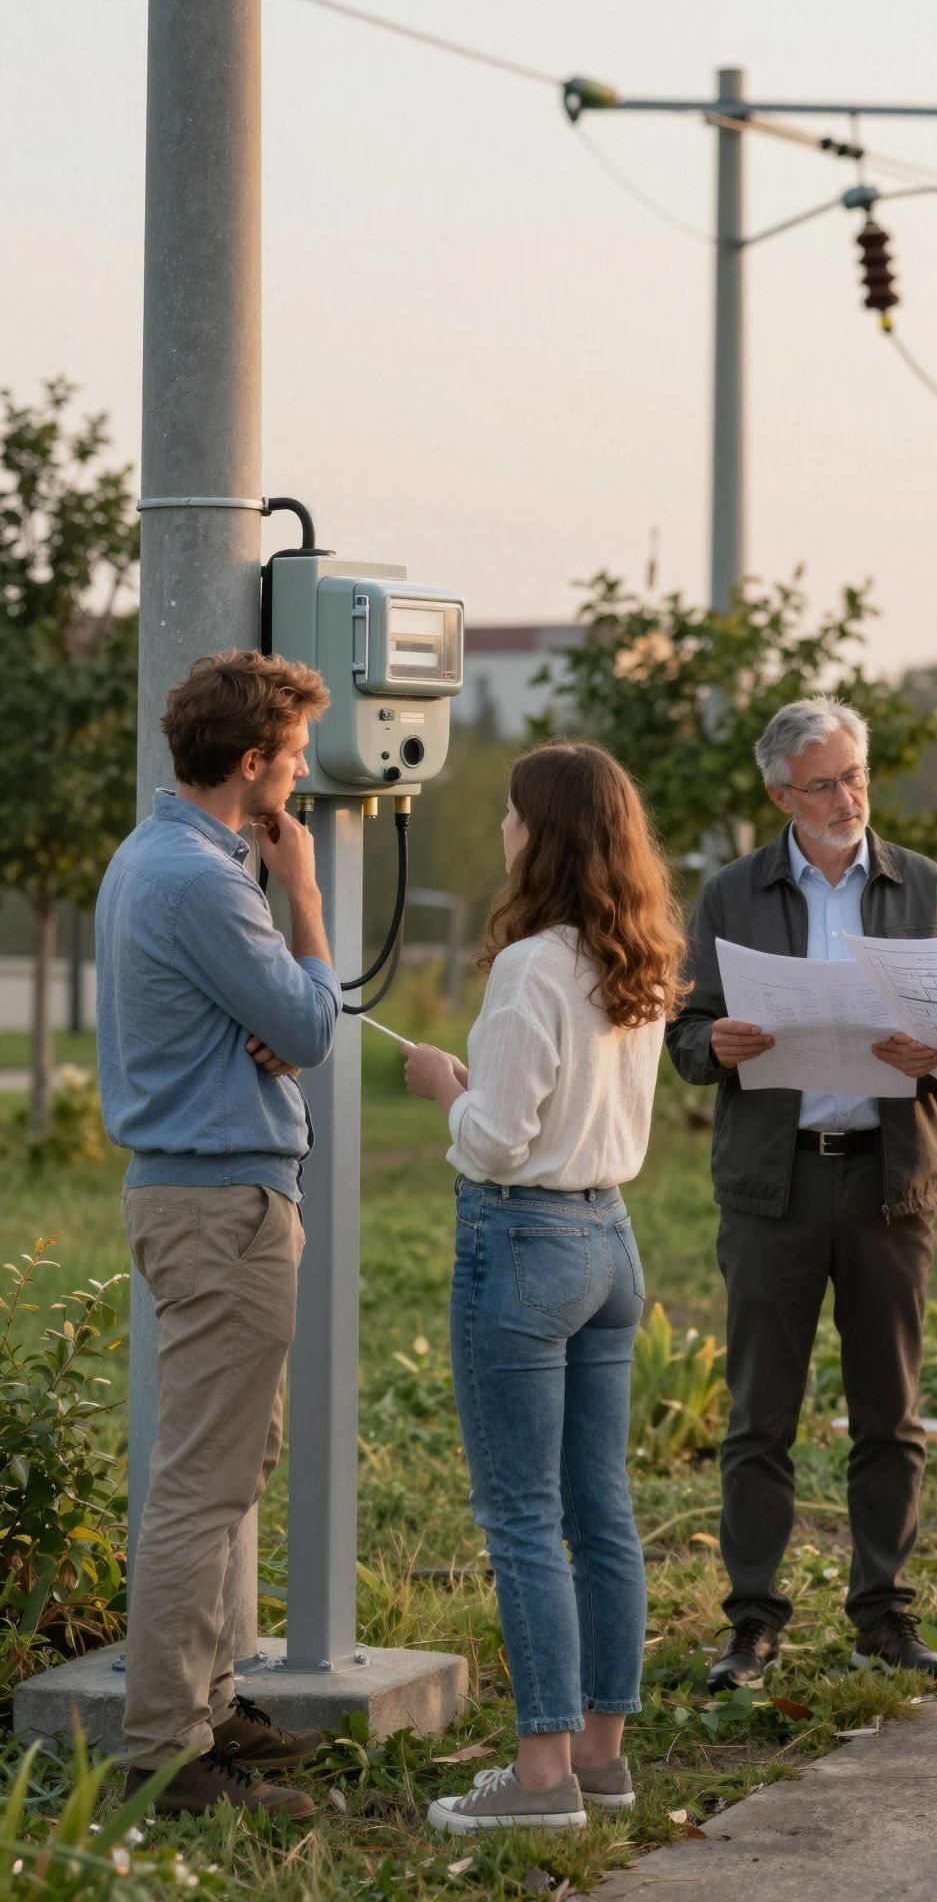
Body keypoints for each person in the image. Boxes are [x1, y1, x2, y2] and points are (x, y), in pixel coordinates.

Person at [408, 741, 688, 1836]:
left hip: (524, 1242)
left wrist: (445, 1087)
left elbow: (495, 1138)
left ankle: (539, 1777)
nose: (503, 828)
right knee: (600, 1509)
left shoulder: (531, 965)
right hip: (608, 1239)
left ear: (546, 833)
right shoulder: (638, 955)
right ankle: (602, 1758)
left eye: (514, 813)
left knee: (522, 1516)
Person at [666, 696, 937, 1694]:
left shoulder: (923, 886)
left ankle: (884, 1613)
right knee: (760, 1414)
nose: (846, 798)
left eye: (856, 777)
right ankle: (752, 1621)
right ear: (779, 796)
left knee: (892, 1411)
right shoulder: (732, 894)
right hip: (775, 1182)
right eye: (823, 784)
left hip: (889, 1181)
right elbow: (682, 1037)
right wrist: (714, 1042)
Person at [97, 649, 340, 1819]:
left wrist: (277, 1013)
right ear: (252, 762)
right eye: (294, 758)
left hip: (198, 1193)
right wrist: (305, 900)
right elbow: (310, 1022)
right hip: (223, 1203)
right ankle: (164, 1755)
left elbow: (277, 1022)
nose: (301, 778)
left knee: (231, 1463)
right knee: (203, 1485)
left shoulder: (154, 856)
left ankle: (211, 1697)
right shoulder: (205, 879)